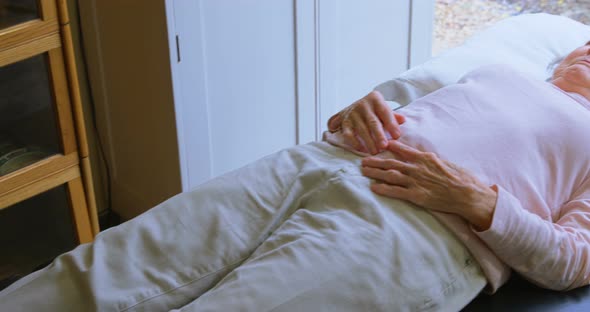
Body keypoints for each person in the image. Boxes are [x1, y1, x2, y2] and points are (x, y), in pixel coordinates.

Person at [1, 42, 590, 312]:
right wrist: (351, 116)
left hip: (423, 235)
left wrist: (476, 200)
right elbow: (365, 114)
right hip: (313, 165)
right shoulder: (494, 72)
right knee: (96, 273)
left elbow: (571, 263)